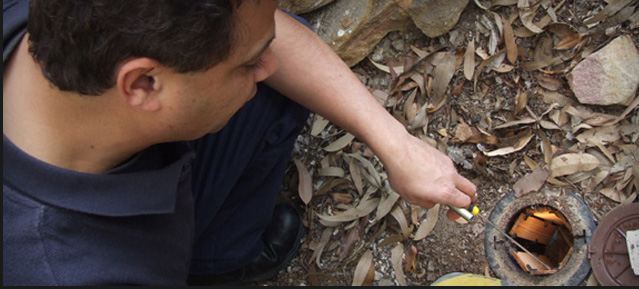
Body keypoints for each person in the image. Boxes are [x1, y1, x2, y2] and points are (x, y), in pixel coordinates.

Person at [3, 0, 477, 286]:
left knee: (270, 95)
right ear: (145, 84)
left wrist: (395, 143)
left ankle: (222, 255)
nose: (267, 63)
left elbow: (278, 42)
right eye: (247, 62)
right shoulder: (76, 269)